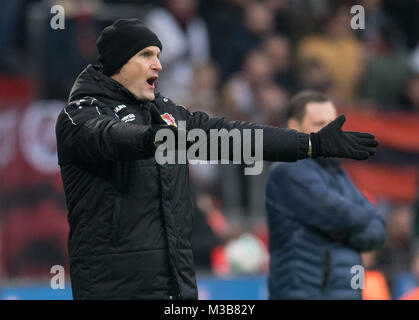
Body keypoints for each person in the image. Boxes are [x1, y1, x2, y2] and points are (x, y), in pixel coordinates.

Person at [55, 19, 378, 300]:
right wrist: (160, 138)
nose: (158, 65)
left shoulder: (166, 114)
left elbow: (237, 137)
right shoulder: (80, 114)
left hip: (175, 286)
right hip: (113, 290)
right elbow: (110, 137)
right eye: (146, 55)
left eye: (158, 55)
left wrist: (310, 143)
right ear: (118, 62)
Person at [265, 90, 386, 300]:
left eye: (333, 124)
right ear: (294, 126)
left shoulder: (339, 173)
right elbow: (341, 215)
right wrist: (356, 226)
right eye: (320, 124)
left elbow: (377, 230)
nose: (330, 133)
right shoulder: (288, 170)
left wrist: (345, 229)